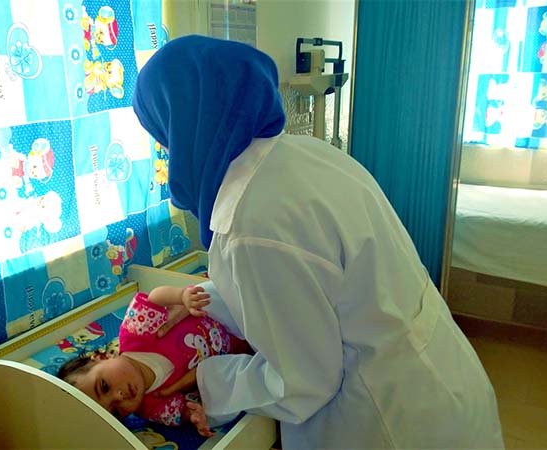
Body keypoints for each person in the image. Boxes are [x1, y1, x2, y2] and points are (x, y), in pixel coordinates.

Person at [131, 35, 504, 449]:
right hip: (439, 380)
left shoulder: (254, 225)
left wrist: (211, 380)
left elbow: (304, 382)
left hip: (389, 419)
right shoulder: (304, 156)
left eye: (164, 135)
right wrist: (201, 300)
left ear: (186, 126)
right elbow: (306, 286)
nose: (168, 151)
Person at [57, 283, 251, 437]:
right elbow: (183, 412)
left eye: (105, 386)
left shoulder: (134, 333)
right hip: (239, 350)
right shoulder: (152, 408)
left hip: (219, 312)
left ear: (101, 357)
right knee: (221, 403)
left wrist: (181, 296)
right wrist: (195, 416)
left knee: (224, 295)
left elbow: (156, 297)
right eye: (115, 412)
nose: (118, 398)